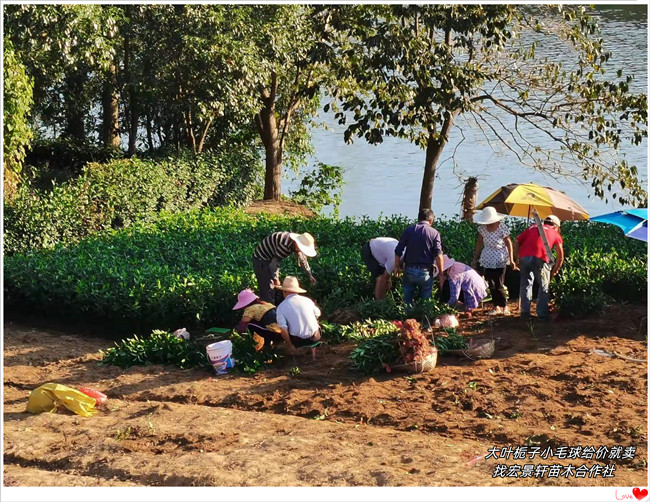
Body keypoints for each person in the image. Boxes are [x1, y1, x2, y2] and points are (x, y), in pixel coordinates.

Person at [514, 214, 565, 320]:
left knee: (525, 285)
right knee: (543, 286)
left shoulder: (531, 228)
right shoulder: (555, 233)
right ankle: (542, 314)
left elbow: (517, 241)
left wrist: (517, 258)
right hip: (540, 259)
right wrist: (554, 271)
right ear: (556, 226)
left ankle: (525, 313)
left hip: (524, 257)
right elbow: (560, 257)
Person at [394, 208, 445, 307]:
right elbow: (438, 255)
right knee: (426, 302)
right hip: (425, 272)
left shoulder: (409, 230)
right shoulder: (434, 233)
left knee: (407, 300)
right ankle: (424, 320)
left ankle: (407, 318)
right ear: (431, 221)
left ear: (418, 219)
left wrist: (397, 266)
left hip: (409, 270)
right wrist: (441, 272)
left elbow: (398, 250)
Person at [471, 206, 517, 316]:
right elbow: (479, 244)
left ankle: (504, 306)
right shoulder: (482, 228)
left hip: (500, 257)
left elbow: (509, 243)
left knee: (499, 283)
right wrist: (475, 258)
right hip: (487, 257)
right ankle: (496, 306)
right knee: (490, 283)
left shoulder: (502, 227)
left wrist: (511, 259)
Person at [252, 232, 317, 304]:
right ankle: (268, 312)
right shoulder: (285, 246)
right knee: (268, 289)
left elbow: (302, 259)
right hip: (261, 259)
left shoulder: (295, 244)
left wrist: (310, 275)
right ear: (297, 244)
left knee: (272, 288)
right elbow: (273, 265)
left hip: (270, 259)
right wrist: (276, 279)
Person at [275, 276, 322, 355]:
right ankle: (313, 352)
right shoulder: (307, 300)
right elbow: (318, 313)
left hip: (298, 341)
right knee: (315, 320)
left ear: (284, 292)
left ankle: (294, 354)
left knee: (284, 329)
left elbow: (283, 329)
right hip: (315, 337)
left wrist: (290, 345)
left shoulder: (281, 307)